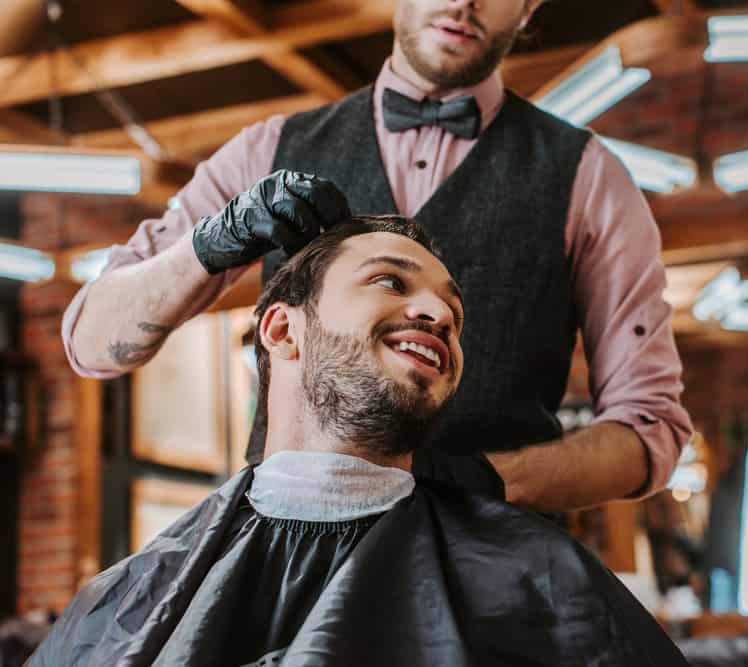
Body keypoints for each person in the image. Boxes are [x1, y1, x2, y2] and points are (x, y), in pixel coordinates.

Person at [62, 0, 692, 511]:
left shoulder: (588, 179)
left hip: (495, 581)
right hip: (288, 569)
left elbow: (648, 433)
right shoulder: (270, 148)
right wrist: (208, 245)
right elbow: (91, 343)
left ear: (529, 8)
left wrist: (489, 482)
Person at [32, 219, 689, 666]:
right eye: (390, 281)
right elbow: (90, 334)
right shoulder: (130, 595)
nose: (437, 315)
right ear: (283, 331)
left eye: (452, 313)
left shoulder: (542, 581)